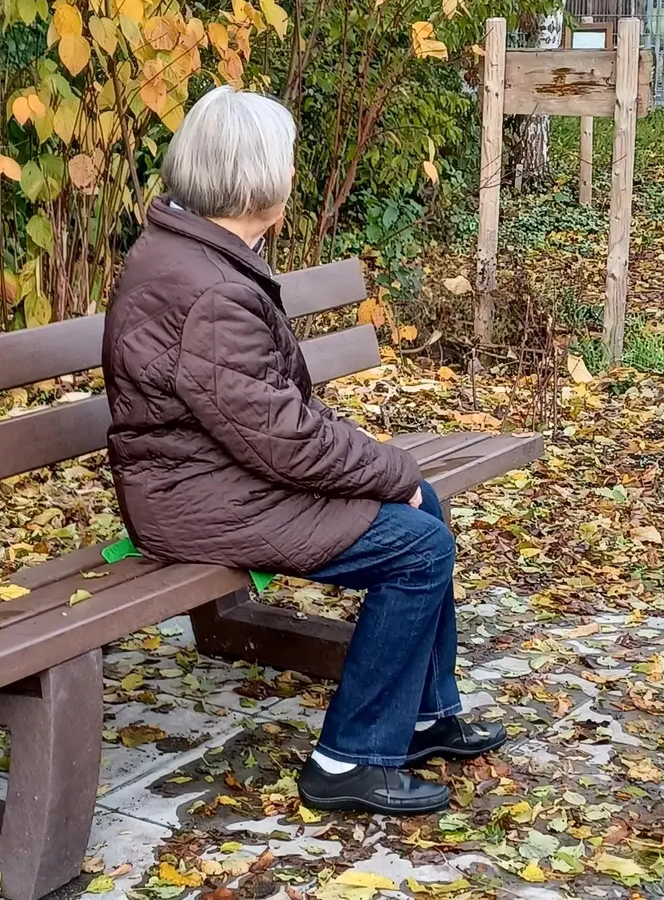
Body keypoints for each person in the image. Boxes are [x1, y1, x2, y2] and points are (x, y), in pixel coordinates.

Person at [101, 85, 506, 816]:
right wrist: (393, 469)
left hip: (217, 475)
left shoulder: (195, 255)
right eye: (286, 161)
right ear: (253, 179)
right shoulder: (209, 290)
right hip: (198, 497)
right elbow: (283, 438)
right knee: (418, 547)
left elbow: (266, 418)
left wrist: (392, 475)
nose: (293, 173)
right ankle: (348, 760)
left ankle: (423, 715)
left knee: (424, 513)